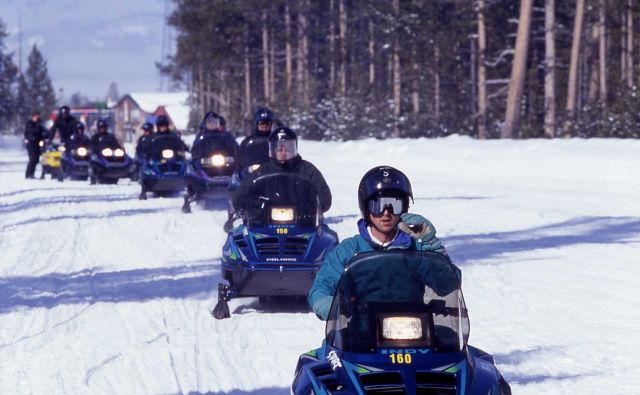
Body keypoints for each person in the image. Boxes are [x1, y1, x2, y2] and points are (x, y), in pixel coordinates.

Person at [308, 165, 454, 320]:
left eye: (394, 204)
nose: (386, 212)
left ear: (404, 207)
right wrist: (326, 303)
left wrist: (431, 245)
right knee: (330, 345)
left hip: (412, 327)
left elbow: (447, 285)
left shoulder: (416, 247)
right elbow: (322, 286)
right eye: (377, 205)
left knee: (449, 341)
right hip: (360, 330)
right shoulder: (349, 250)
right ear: (366, 208)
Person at [229, 127, 331, 230]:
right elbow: (241, 194)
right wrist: (252, 206)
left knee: (327, 239)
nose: (283, 152)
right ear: (272, 150)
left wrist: (308, 206)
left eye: (288, 148)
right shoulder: (263, 171)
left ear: (295, 148)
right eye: (279, 149)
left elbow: (324, 197)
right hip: (265, 225)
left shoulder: (307, 170)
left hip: (301, 224)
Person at [237, 107, 274, 175]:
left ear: (270, 124)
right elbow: (240, 160)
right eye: (262, 123)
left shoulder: (275, 140)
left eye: (267, 123)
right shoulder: (248, 141)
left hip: (273, 173)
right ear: (257, 124)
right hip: (253, 174)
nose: (264, 125)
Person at [23, 111, 47, 179]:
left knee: (36, 159)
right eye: (35, 116)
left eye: (38, 116)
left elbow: (44, 131)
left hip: (38, 143)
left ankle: (32, 174)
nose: (37, 117)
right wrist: (32, 137)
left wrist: (44, 135)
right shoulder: (30, 124)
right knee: (32, 159)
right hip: (31, 144)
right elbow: (29, 133)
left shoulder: (39, 124)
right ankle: (28, 174)